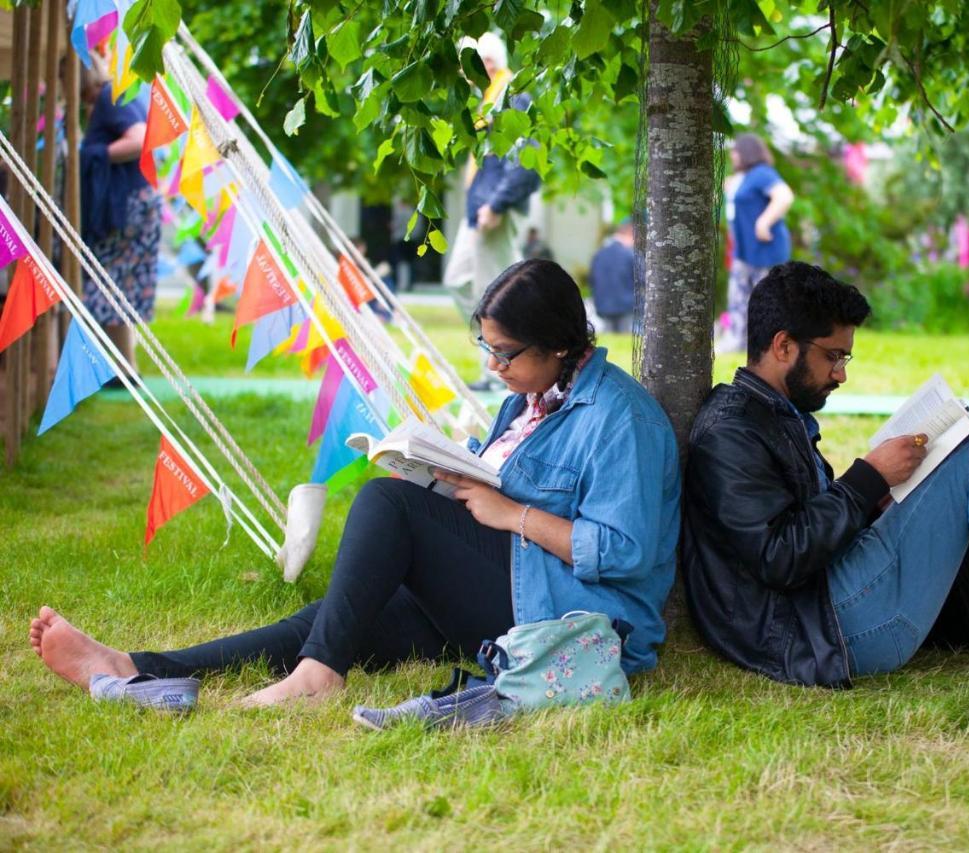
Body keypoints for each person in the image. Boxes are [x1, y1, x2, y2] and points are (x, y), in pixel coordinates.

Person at [28, 260, 681, 707]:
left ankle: (318, 676)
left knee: (385, 503)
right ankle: (138, 666)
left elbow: (625, 551)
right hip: (505, 586)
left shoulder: (620, 417)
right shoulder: (531, 396)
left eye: (504, 353)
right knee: (338, 617)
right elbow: (496, 490)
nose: (494, 366)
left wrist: (509, 513)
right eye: (486, 348)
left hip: (569, 612)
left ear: (561, 345)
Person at [681, 260, 969, 700]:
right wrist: (868, 478)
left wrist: (877, 500)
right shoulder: (731, 430)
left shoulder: (775, 413)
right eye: (833, 356)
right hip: (818, 629)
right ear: (783, 346)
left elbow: (801, 525)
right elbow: (777, 557)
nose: (841, 373)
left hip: (825, 609)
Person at [442, 32, 541, 391]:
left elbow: (527, 163)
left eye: (475, 63)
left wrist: (498, 204)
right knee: (458, 281)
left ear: (488, 63)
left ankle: (505, 370)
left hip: (494, 208)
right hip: (479, 207)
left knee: (497, 291)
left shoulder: (512, 97)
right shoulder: (487, 100)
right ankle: (497, 359)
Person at [79, 54, 161, 371]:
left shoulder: (111, 96)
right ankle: (124, 366)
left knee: (105, 284)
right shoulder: (114, 95)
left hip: (126, 206)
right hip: (133, 201)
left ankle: (119, 367)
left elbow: (139, 140)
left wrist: (87, 157)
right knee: (116, 287)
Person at [719, 133, 794, 353]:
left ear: (746, 152)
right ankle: (737, 340)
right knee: (738, 297)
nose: (732, 155)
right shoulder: (741, 178)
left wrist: (764, 221)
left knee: (768, 299)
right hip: (743, 251)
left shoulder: (762, 174)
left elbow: (784, 196)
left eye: (736, 151)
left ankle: (773, 346)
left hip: (766, 249)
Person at [588, 220, 636, 333]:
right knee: (625, 342)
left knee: (609, 340)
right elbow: (642, 280)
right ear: (630, 234)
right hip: (626, 305)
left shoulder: (599, 254)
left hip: (603, 305)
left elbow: (592, 280)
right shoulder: (630, 254)